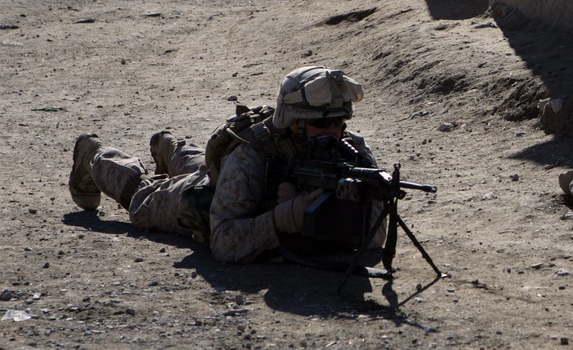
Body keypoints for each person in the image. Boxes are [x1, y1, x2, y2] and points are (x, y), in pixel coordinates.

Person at [68, 67, 386, 265]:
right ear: (294, 123)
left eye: (339, 122)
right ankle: (92, 154)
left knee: (205, 170)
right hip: (211, 196)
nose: (335, 132)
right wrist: (281, 219)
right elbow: (223, 242)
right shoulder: (252, 155)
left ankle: (168, 146)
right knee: (143, 201)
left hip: (232, 182)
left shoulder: (353, 152)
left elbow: (374, 237)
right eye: (323, 123)